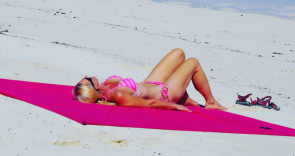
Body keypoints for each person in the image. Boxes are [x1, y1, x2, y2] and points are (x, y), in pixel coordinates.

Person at [73, 49, 227, 112]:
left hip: (152, 83)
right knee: (193, 62)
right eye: (87, 78)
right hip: (165, 93)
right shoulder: (118, 95)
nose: (87, 75)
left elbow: (78, 93)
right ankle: (211, 102)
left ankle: (186, 98)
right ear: (95, 87)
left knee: (178, 53)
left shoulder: (106, 85)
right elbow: (150, 104)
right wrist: (174, 106)